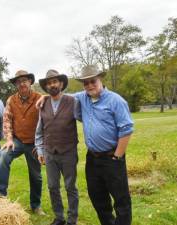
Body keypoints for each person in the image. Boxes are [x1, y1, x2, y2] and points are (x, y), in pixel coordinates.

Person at [37, 65, 134, 225]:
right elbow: (60, 96)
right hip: (93, 158)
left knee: (120, 199)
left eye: (92, 81)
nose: (89, 85)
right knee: (98, 197)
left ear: (100, 80)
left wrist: (117, 156)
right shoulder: (82, 97)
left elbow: (127, 129)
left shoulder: (116, 100)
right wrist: (44, 97)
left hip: (113, 157)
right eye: (86, 83)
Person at [0, 70, 45, 215]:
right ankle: (1, 196)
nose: (22, 83)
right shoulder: (11, 100)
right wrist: (9, 139)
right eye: (19, 81)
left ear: (30, 82)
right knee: (3, 156)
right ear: (16, 84)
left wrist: (43, 144)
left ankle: (35, 205)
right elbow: (6, 120)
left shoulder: (40, 98)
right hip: (17, 140)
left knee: (36, 175)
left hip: (34, 143)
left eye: (25, 80)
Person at [35, 69, 79, 225]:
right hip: (50, 152)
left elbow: (86, 97)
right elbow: (39, 131)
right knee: (53, 187)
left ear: (61, 83)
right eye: (49, 83)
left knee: (70, 187)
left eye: (54, 82)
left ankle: (72, 219)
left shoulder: (72, 101)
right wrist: (40, 150)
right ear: (46, 87)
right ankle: (59, 218)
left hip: (68, 151)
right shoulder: (43, 104)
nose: (52, 85)